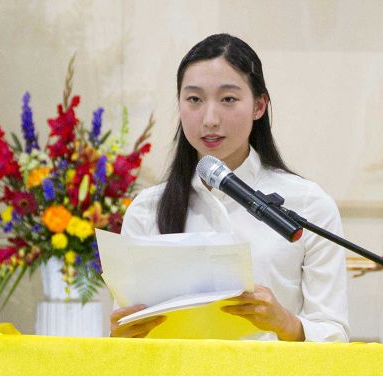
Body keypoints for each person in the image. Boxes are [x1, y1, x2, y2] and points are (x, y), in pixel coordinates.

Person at [110, 33, 349, 342]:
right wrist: (121, 334)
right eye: (194, 99)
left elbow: (335, 333)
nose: (210, 119)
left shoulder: (308, 204)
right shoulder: (147, 209)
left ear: (259, 105)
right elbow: (127, 338)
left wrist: (287, 324)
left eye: (228, 99)